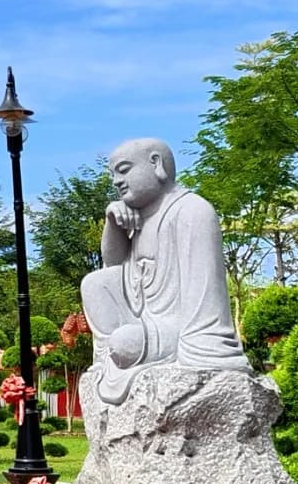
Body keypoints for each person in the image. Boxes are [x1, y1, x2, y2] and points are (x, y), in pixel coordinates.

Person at [81, 138, 249, 404]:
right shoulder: (137, 217)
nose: (116, 181)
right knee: (94, 283)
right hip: (143, 318)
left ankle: (119, 353)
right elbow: (113, 264)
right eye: (113, 175)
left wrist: (197, 353)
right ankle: (107, 358)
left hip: (181, 330)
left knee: (124, 342)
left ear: (156, 164)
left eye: (123, 170)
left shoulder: (192, 211)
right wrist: (113, 222)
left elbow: (205, 304)